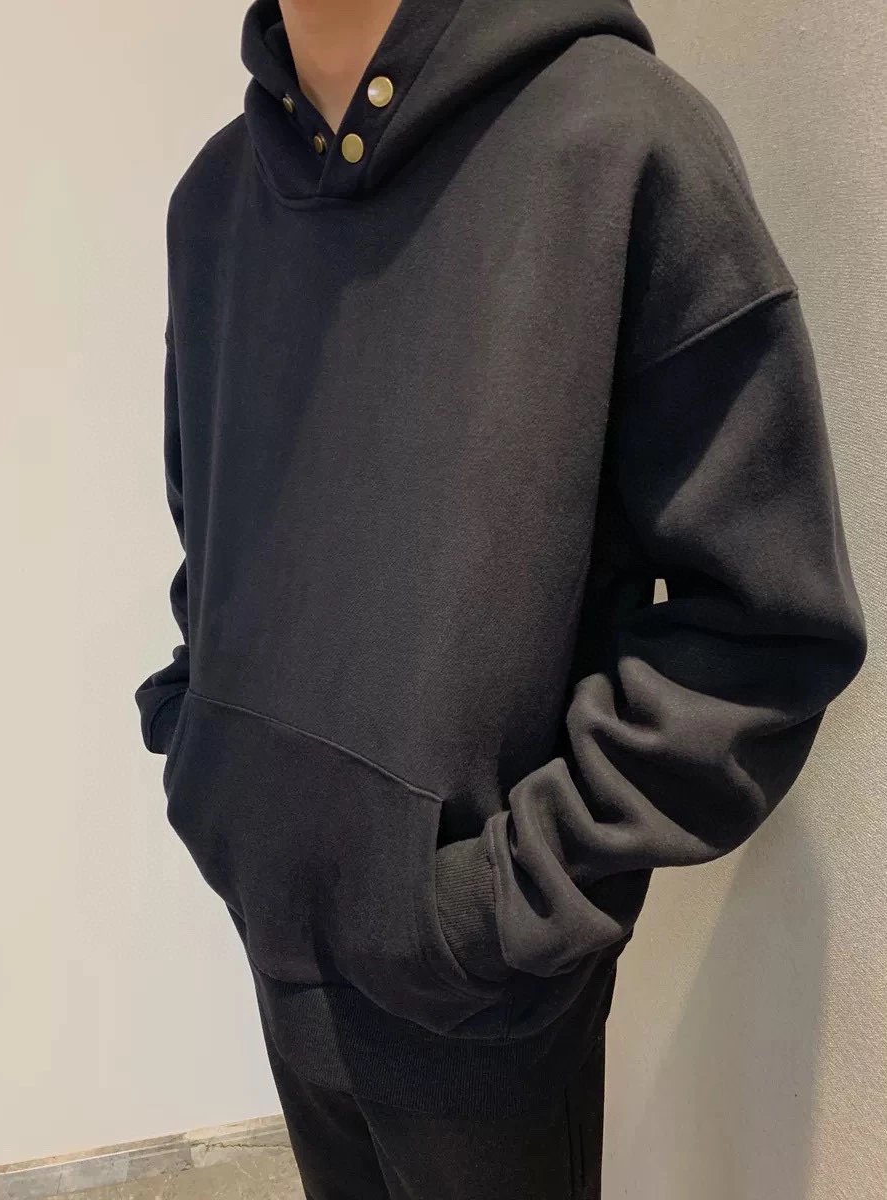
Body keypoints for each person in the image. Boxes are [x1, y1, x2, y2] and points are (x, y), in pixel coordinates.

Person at [134, 0, 867, 1195]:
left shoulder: (620, 142)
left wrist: (498, 903)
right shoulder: (214, 203)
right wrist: (210, 764)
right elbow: (210, 531)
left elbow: (762, 626)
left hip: (486, 1018)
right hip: (273, 950)